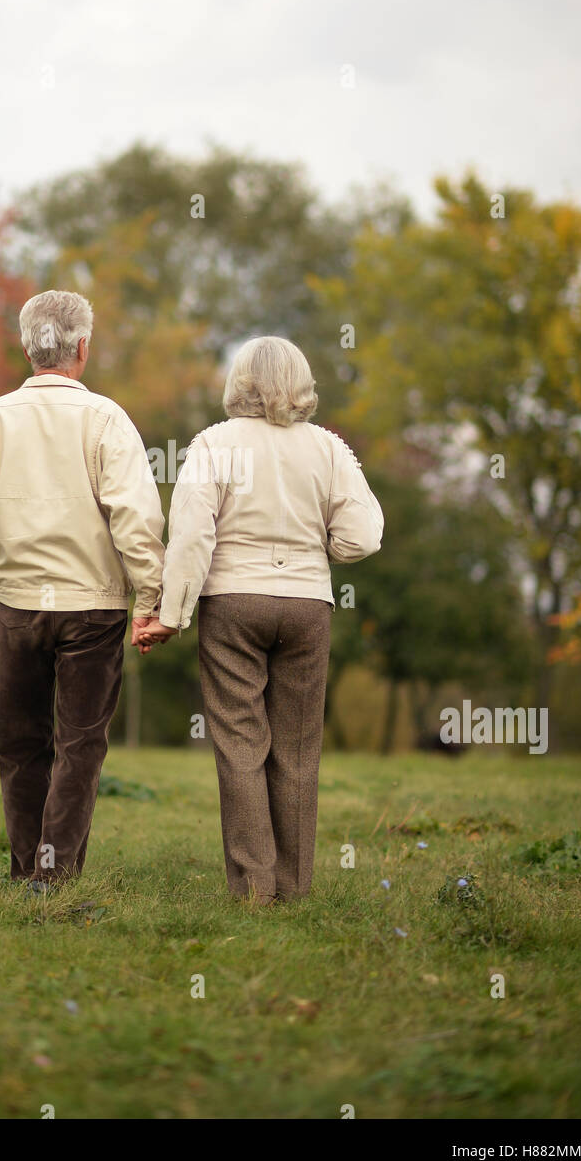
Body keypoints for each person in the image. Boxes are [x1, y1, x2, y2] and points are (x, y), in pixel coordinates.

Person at [0, 290, 164, 890]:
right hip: (93, 605)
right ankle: (52, 876)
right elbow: (136, 519)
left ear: (26, 346)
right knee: (79, 745)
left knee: (21, 742)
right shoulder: (107, 419)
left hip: (18, 603)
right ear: (82, 347)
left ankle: (25, 868)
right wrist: (152, 599)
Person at [139, 336, 383, 905]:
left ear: (239, 382)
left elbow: (193, 537)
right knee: (297, 753)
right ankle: (294, 891)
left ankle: (254, 890)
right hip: (307, 606)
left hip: (233, 604)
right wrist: (318, 547)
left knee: (241, 747)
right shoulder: (328, 448)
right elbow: (364, 535)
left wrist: (170, 615)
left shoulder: (212, 445)